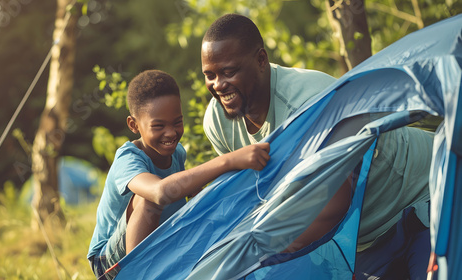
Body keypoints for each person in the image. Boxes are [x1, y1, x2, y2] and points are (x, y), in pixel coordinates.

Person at [201, 14, 433, 280]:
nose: (218, 85)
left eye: (229, 72)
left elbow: (334, 202)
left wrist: (257, 254)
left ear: (261, 60)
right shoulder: (218, 122)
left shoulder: (309, 103)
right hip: (366, 235)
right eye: (210, 75)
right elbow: (246, 201)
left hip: (424, 194)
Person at [87, 70, 271, 280]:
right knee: (148, 198)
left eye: (177, 122)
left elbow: (182, 188)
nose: (171, 133)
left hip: (162, 243)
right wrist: (229, 160)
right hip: (111, 263)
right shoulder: (128, 159)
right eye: (158, 126)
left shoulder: (177, 153)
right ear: (134, 125)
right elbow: (160, 193)